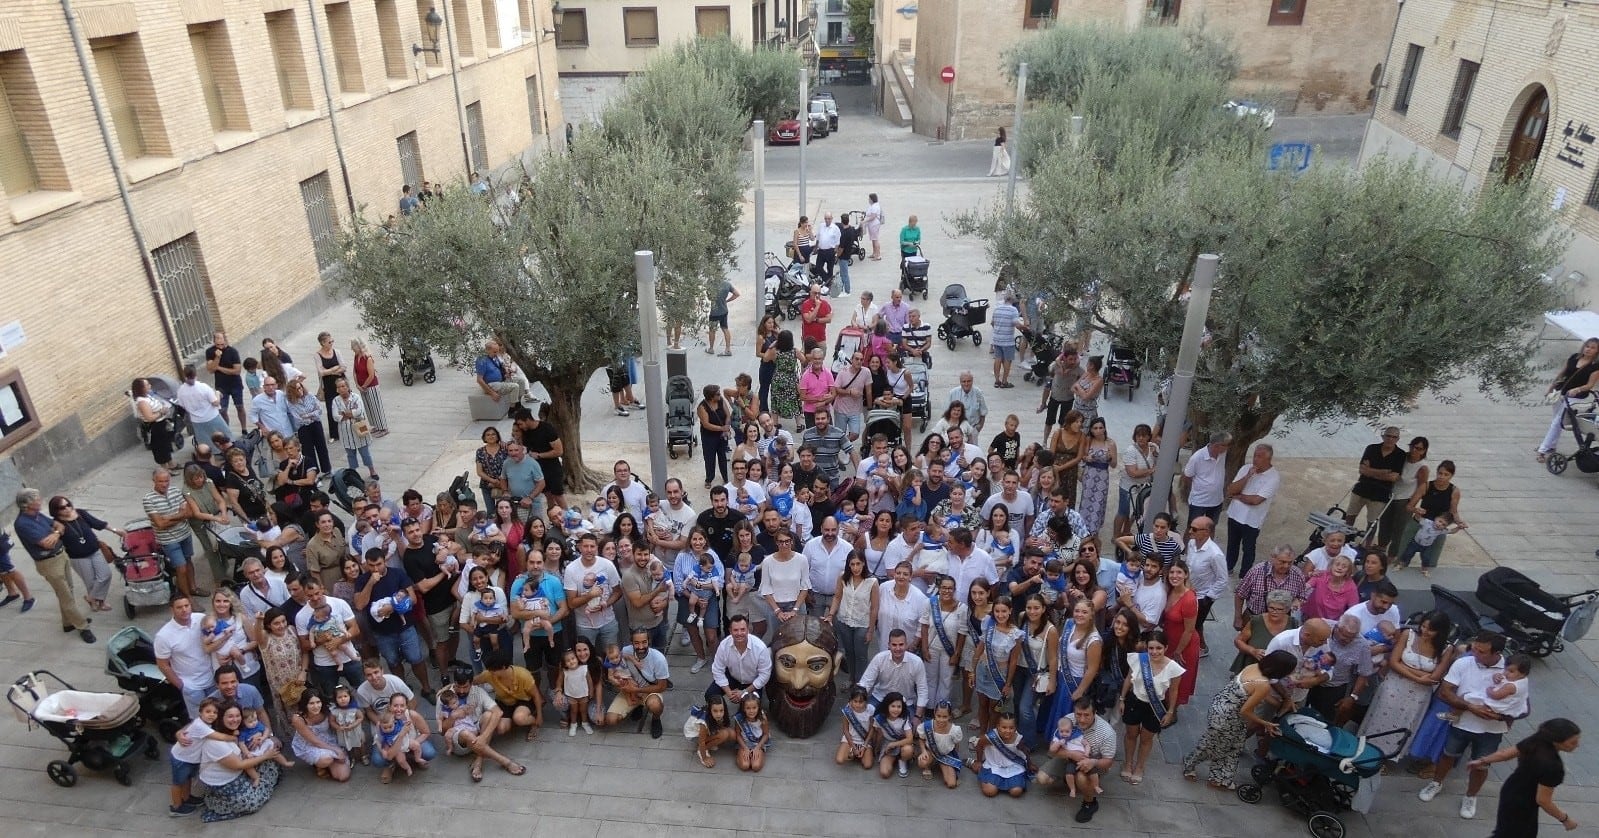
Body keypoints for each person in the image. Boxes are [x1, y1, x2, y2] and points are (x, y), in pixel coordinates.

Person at [1418, 631, 1522, 819]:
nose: (1475, 654)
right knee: (1448, 755)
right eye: (1475, 648)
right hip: (1461, 723)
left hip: (1491, 729)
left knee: (1482, 765)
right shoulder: (1463, 663)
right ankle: (1436, 783)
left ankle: (1471, 796)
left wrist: (1499, 716)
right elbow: (1444, 692)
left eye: (1482, 652)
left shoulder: (1511, 670)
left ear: (1497, 653)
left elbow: (1523, 705)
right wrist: (1470, 707)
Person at [1181, 649, 1296, 790]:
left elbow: (1253, 693)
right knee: (1215, 746)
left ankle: (1220, 778)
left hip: (1221, 707)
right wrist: (1265, 723)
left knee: (1233, 746)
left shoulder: (1253, 667)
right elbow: (1246, 710)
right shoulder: (1263, 685)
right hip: (1228, 718)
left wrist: (1282, 702)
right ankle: (1191, 764)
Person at [1360, 610, 1456, 758]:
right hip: (1394, 686)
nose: (1425, 631)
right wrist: (1419, 677)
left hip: (1418, 696)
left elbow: (1435, 677)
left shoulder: (1446, 649)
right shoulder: (1408, 635)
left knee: (1404, 723)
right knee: (1380, 718)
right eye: (1423, 626)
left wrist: (1404, 666)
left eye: (1430, 630)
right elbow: (1393, 662)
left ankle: (1389, 755)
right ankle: (1367, 749)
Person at [1471, 717, 1582, 836]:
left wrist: (1483, 760)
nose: (1577, 745)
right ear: (1556, 741)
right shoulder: (1553, 767)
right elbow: (1543, 800)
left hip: (1510, 789)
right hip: (1524, 803)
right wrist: (1565, 819)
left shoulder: (1537, 741)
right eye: (1573, 742)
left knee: (1504, 831)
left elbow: (1505, 754)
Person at [1117, 627, 1185, 784]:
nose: (1154, 652)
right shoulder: (1138, 659)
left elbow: (1173, 691)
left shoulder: (1173, 668)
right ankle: (1128, 763)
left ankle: (1140, 766)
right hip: (1134, 701)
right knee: (1131, 734)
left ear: (1166, 648)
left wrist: (1170, 712)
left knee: (1146, 739)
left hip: (1155, 706)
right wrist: (1122, 699)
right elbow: (1128, 679)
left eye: (1158, 648)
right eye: (1151, 648)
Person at [1037, 697, 1117, 822]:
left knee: (1081, 778)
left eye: (1086, 715)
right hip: (1068, 757)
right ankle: (1069, 778)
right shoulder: (1068, 720)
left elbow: (1109, 761)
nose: (1081, 719)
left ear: (1095, 713)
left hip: (1093, 761)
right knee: (1042, 778)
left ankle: (1090, 803)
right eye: (1078, 714)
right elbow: (1053, 748)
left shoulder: (1107, 732)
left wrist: (1093, 762)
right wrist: (1072, 754)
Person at [1395, 459, 1465, 577]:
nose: (1442, 477)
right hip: (1419, 522)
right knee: (1403, 554)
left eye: (1446, 474)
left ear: (1451, 476)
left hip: (1438, 527)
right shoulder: (1426, 486)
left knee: (1431, 560)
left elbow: (1453, 511)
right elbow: (1409, 506)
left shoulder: (1454, 491)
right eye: (1440, 473)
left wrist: (1459, 522)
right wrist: (1416, 510)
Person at [602, 628, 672, 738]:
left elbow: (662, 687)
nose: (641, 647)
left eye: (644, 642)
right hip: (629, 688)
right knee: (611, 720)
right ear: (632, 643)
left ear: (649, 641)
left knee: (655, 706)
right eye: (637, 643)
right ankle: (638, 706)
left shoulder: (659, 659)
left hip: (649, 690)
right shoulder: (625, 651)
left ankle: (656, 719)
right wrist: (617, 682)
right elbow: (612, 662)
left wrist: (636, 690)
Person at [1538, 336, 1599, 462]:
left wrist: (1578, 389)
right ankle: (1551, 446)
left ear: (1597, 351)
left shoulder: (1595, 367)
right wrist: (1551, 387)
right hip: (1560, 393)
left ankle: (1543, 450)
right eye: (1587, 346)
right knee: (1556, 421)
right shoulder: (1574, 357)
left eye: (1593, 348)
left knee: (1558, 422)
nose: (1588, 349)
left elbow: (1590, 385)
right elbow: (1562, 373)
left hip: (1575, 398)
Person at [1223, 443, 1279, 575]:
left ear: (1268, 459)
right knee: (1232, 544)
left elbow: (1256, 500)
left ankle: (1245, 575)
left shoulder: (1273, 477)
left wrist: (1238, 496)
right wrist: (1247, 477)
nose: (1255, 459)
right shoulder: (1246, 469)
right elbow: (1231, 490)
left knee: (1248, 549)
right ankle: (1228, 568)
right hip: (1235, 514)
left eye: (1259, 457)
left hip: (1252, 520)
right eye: (1255, 455)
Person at [706, 614, 771, 703]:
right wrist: (729, 693)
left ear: (748, 630)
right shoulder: (724, 645)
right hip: (732, 676)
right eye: (735, 630)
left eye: (743, 629)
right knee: (710, 695)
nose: (739, 633)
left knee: (750, 706)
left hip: (752, 682)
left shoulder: (760, 648)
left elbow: (764, 675)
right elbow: (717, 670)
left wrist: (744, 692)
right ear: (730, 631)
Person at [131, 377, 181, 471]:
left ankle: (171, 464)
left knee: (166, 445)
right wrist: (161, 412)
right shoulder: (142, 402)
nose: (150, 386)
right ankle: (165, 470)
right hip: (155, 427)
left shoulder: (147, 396)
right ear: (141, 388)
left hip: (162, 424)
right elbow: (149, 417)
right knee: (160, 448)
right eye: (147, 385)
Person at [1181, 431, 1231, 525]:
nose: (1228, 447)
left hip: (1217, 501)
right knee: (1193, 527)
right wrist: (1197, 489)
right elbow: (1187, 476)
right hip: (1199, 502)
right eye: (1226, 445)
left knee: (1211, 527)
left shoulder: (1222, 454)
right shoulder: (1197, 457)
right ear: (1216, 446)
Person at [205, 331, 248, 433]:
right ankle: (227, 431)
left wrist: (218, 368)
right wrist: (217, 357)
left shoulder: (232, 351)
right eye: (217, 342)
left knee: (240, 407)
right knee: (222, 410)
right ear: (214, 341)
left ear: (225, 340)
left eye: (221, 341)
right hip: (221, 386)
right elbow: (210, 370)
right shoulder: (210, 352)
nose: (220, 345)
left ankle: (244, 429)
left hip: (235, 384)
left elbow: (236, 371)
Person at [473, 338, 525, 410]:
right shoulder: (482, 360)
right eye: (494, 352)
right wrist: (492, 393)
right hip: (492, 384)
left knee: (521, 381)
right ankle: (512, 409)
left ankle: (518, 404)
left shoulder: (494, 357)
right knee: (515, 386)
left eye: (497, 352)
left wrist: (506, 372)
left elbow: (499, 368)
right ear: (487, 350)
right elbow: (479, 380)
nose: (496, 354)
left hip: (501, 380)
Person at [706, 275, 740, 356]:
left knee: (712, 330)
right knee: (725, 329)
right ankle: (728, 349)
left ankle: (711, 349)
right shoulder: (727, 284)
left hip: (714, 312)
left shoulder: (711, 284)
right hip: (724, 311)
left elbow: (710, 298)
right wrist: (726, 301)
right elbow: (737, 294)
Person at [815, 211, 841, 284]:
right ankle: (828, 280)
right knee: (818, 267)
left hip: (830, 251)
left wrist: (835, 252)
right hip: (821, 251)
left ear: (832, 218)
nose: (827, 220)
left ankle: (828, 283)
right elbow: (818, 238)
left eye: (829, 219)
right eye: (826, 218)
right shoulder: (821, 226)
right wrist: (816, 247)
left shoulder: (835, 228)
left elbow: (837, 242)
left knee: (830, 269)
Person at [864, 193, 884, 260]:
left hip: (874, 224)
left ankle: (878, 255)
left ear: (872, 199)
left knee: (875, 239)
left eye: (869, 199)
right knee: (873, 239)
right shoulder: (873, 205)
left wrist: (865, 221)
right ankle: (874, 253)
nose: (868, 200)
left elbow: (873, 216)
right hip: (872, 224)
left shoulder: (875, 206)